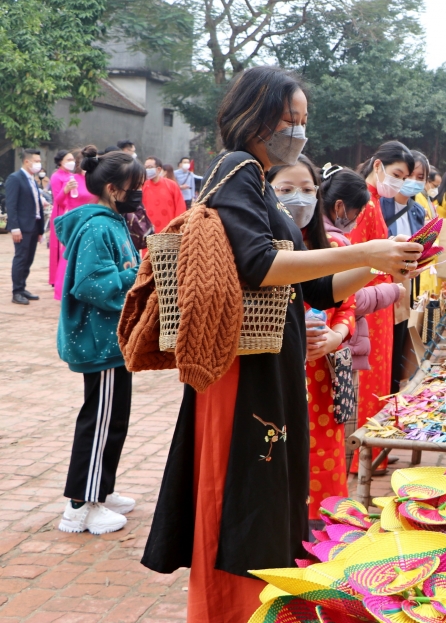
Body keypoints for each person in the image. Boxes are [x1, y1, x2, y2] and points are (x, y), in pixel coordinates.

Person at [140, 66, 422, 623]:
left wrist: (380, 265)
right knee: (243, 491)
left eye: (302, 121)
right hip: (244, 368)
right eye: (289, 119)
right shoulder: (236, 169)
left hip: (273, 362)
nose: (296, 131)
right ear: (255, 115)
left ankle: (263, 605)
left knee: (267, 491)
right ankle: (227, 610)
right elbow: (260, 264)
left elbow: (314, 287)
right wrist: (365, 254)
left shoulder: (258, 180)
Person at [54, 146, 144, 535]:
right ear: (112, 188)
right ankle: (79, 507)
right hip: (100, 342)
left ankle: (100, 491)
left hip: (112, 341)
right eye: (133, 187)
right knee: (101, 421)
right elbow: (90, 284)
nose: (138, 193)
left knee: (114, 419)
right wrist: (137, 277)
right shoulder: (98, 226)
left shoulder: (112, 221)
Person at [267, 156, 356, 528]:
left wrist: (336, 336)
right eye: (285, 190)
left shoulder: (331, 246)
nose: (298, 199)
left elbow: (346, 306)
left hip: (322, 376)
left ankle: (323, 535)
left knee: (323, 457)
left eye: (307, 190)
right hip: (277, 372)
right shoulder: (259, 248)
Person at [321, 164, 402, 469]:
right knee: (330, 427)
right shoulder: (336, 243)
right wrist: (392, 289)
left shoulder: (325, 238)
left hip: (332, 340)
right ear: (340, 207)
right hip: (328, 349)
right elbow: (348, 299)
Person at [350, 140, 416, 471]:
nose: (400, 183)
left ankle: (375, 452)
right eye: (397, 174)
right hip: (372, 300)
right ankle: (367, 455)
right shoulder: (365, 201)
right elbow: (357, 253)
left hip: (381, 298)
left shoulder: (374, 201)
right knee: (372, 382)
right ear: (378, 166)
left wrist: (394, 246)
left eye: (404, 177)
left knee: (379, 380)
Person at [381, 148, 427, 392]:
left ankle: (393, 392)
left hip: (406, 286)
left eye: (421, 178)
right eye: (412, 176)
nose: (415, 182)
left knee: (399, 341)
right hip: (381, 284)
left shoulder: (418, 211)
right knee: (384, 345)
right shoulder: (379, 205)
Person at [49, 149, 98, 300]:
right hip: (76, 223)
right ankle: (65, 292)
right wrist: (65, 190)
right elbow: (59, 202)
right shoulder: (72, 179)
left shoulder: (96, 180)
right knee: (70, 257)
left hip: (94, 221)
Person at [7, 149, 49, 305]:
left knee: (28, 259)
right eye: (36, 161)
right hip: (22, 227)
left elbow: (35, 203)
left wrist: (40, 230)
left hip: (33, 225)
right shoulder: (15, 178)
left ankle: (22, 286)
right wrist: (14, 227)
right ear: (27, 161)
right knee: (21, 258)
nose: (39, 164)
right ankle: (16, 291)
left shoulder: (33, 179)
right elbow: (11, 205)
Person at [141, 156, 187, 233]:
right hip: (149, 232)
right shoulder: (142, 186)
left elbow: (180, 207)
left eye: (150, 167)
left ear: (158, 169)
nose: (147, 170)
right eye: (145, 168)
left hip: (169, 232)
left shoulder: (172, 185)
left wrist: (177, 227)